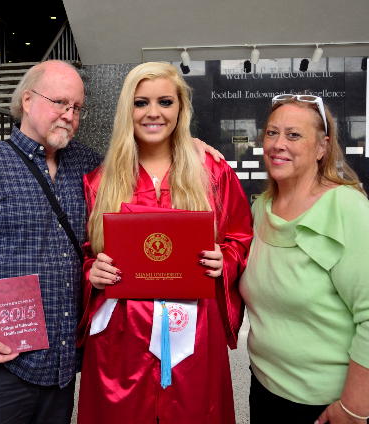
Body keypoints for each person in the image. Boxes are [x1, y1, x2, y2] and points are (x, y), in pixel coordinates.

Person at [0, 59, 224, 424]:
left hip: (60, 362)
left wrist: (188, 143)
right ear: (27, 100)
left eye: (76, 107)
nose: (69, 115)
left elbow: (139, 168)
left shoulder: (88, 167)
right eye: (59, 102)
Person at [76, 62, 253, 424]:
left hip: (195, 332)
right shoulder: (100, 181)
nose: (153, 113)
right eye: (141, 103)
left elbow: (240, 237)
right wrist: (93, 272)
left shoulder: (213, 173)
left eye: (165, 102)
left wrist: (226, 259)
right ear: (128, 109)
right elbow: (83, 254)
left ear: (181, 109)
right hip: (121, 337)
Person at [240, 94, 369, 424]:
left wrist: (354, 408)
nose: (278, 144)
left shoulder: (346, 208)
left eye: (294, 135)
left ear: (323, 147)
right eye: (271, 133)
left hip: (329, 406)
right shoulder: (261, 209)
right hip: (265, 391)